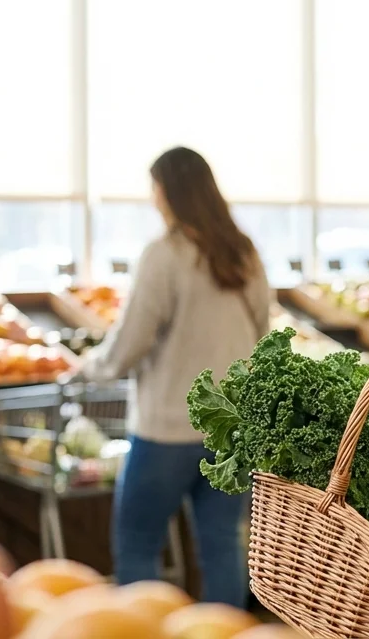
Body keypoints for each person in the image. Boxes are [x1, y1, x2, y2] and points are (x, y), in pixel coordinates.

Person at [82, 146, 270, 607]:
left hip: (166, 429)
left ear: (168, 192)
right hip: (230, 429)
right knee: (223, 545)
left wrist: (91, 367)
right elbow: (263, 329)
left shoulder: (164, 255)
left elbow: (130, 344)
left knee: (138, 544)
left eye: (155, 188)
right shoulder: (244, 253)